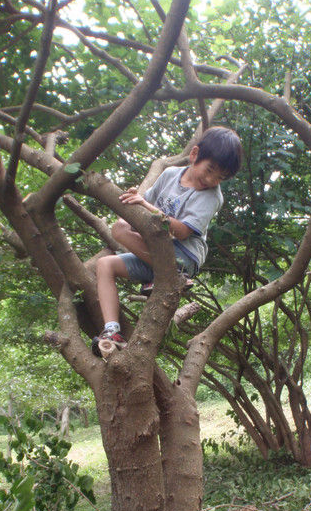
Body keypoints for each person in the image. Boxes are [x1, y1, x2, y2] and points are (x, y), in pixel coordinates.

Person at [91, 126, 242, 356]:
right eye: (209, 170)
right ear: (194, 155)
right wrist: (132, 202)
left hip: (183, 256)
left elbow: (181, 232)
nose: (211, 180)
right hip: (154, 252)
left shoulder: (212, 196)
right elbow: (140, 209)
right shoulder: (170, 174)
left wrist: (143, 205)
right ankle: (112, 331)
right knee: (106, 260)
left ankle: (172, 274)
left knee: (121, 231)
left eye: (219, 177)